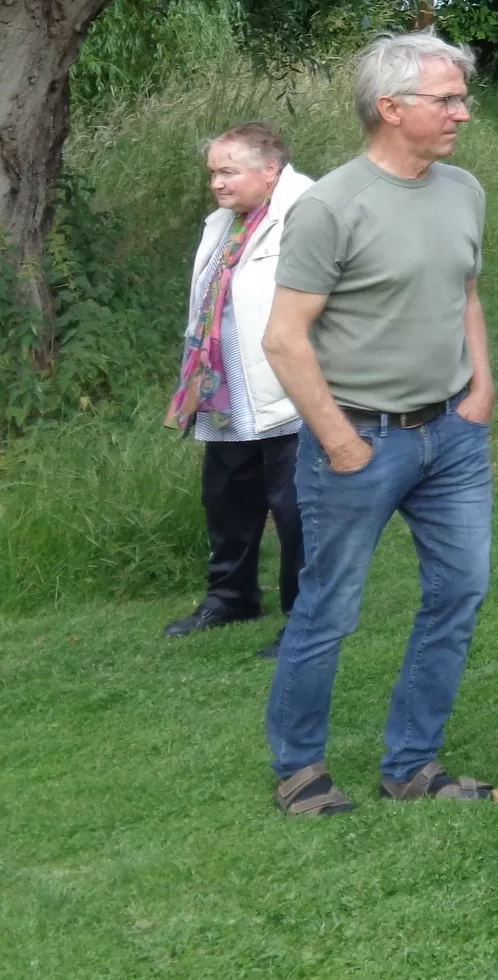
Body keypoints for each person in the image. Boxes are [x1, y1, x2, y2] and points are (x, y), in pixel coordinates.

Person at [260, 33, 498, 818]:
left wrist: (481, 389)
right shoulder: (331, 206)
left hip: (453, 437)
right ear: (391, 108)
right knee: (329, 605)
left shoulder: (463, 189)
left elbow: (464, 293)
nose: (462, 112)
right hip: (360, 440)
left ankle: (412, 765)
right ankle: (300, 769)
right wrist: (340, 442)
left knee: (459, 592)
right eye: (448, 100)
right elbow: (284, 338)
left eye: (461, 98)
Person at [162, 123, 315, 659]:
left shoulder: (308, 210)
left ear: (270, 170)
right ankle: (231, 597)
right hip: (225, 385)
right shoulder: (224, 221)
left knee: (295, 503)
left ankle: (305, 616)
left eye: (228, 172)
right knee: (225, 497)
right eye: (213, 173)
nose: (217, 185)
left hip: (288, 385)